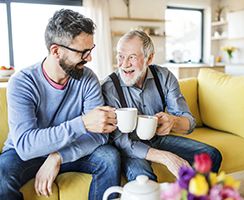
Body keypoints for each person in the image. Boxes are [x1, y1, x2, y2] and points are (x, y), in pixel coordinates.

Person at [0, 9, 120, 200]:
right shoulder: (22, 82)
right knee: (1, 175)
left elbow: (100, 135)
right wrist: (82, 124)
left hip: (68, 150)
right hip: (24, 155)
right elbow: (25, 145)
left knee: (109, 157)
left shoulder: (87, 78)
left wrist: (58, 156)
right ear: (56, 51)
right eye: (83, 52)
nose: (89, 58)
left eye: (91, 50)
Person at [102, 30, 222, 182]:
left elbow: (189, 122)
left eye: (132, 57)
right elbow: (120, 141)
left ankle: (195, 195)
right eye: (120, 56)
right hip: (130, 147)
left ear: (149, 58)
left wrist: (173, 121)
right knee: (144, 179)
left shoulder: (164, 77)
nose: (124, 64)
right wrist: (165, 157)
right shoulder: (108, 87)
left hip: (158, 138)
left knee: (211, 156)